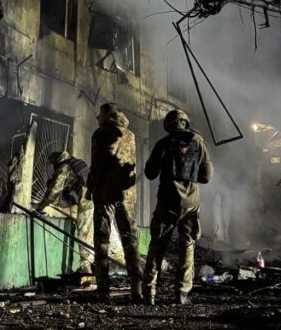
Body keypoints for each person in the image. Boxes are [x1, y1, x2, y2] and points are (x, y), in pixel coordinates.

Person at [142, 109, 213, 306]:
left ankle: (149, 293)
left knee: (157, 245)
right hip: (191, 204)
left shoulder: (163, 144)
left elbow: (149, 173)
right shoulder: (198, 142)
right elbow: (206, 177)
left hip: (167, 201)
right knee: (187, 245)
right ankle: (182, 293)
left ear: (168, 125)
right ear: (186, 123)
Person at [86, 103, 142, 303]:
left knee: (102, 241)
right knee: (130, 240)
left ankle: (103, 291)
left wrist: (90, 187)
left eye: (99, 115)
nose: (97, 118)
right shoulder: (130, 134)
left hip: (105, 194)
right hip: (127, 195)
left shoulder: (100, 133)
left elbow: (98, 163)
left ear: (106, 114)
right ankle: (137, 288)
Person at [36, 151, 93, 274]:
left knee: (84, 235)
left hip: (87, 202)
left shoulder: (64, 167)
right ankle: (122, 264)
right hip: (98, 199)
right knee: (110, 236)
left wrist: (41, 207)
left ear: (56, 160)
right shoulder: (77, 163)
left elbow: (54, 190)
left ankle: (86, 269)